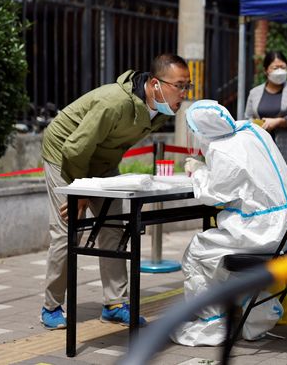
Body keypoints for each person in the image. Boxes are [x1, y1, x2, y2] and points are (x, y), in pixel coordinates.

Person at [39, 53, 191, 329]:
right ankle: (50, 306)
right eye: (179, 85)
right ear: (156, 84)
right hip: (65, 153)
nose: (184, 93)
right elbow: (76, 149)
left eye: (187, 86)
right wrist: (82, 192)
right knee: (68, 229)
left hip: (101, 159)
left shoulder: (158, 109)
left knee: (116, 226)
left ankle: (114, 303)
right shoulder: (114, 103)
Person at [172, 100, 287, 346]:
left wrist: (198, 171)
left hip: (263, 231)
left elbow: (215, 194)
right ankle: (259, 312)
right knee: (222, 257)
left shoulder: (222, 149)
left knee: (198, 253)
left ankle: (214, 324)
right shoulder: (253, 131)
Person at [245, 51, 287, 189]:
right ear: (266, 70)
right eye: (275, 67)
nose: (279, 71)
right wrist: (256, 124)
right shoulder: (255, 92)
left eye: (283, 67)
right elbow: (248, 117)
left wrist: (280, 122)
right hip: (262, 153)